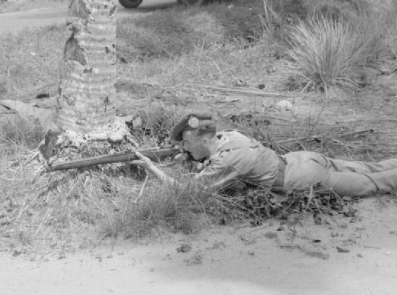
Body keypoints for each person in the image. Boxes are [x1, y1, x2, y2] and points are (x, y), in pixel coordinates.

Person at [133, 109, 397, 198]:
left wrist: (151, 168)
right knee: (370, 167)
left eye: (187, 142)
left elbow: (187, 191)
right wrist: (194, 159)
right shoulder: (229, 135)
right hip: (301, 159)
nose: (185, 147)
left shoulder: (227, 160)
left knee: (375, 183)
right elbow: (213, 158)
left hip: (302, 178)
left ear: (204, 138)